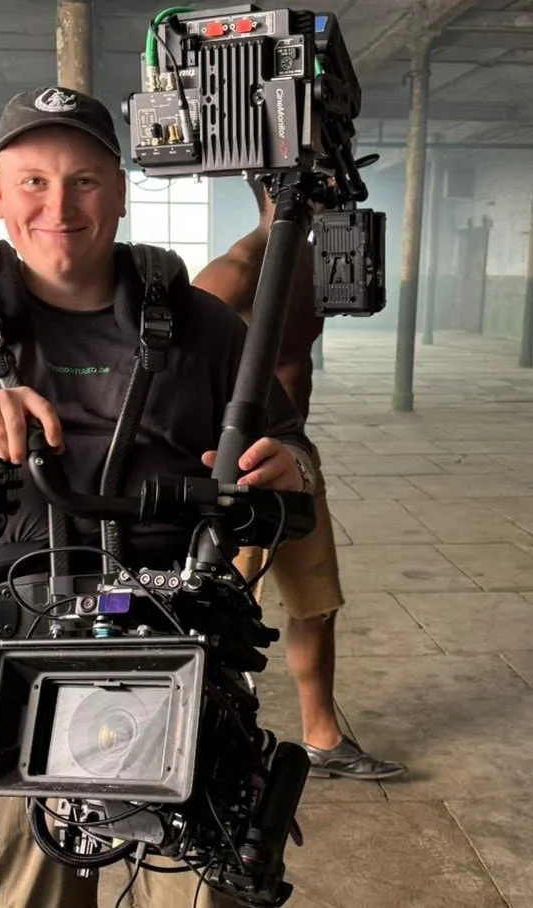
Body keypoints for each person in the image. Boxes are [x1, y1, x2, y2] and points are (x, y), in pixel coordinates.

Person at [0, 86, 316, 908]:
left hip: (185, 653)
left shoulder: (206, 328)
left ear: (121, 191)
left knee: (203, 892)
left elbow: (293, 447)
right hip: (17, 662)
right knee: (32, 895)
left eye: (85, 181)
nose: (59, 206)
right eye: (34, 182)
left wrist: (291, 470)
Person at [192, 176, 407, 781]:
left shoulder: (325, 260)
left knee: (317, 604)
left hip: (297, 460)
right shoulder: (230, 273)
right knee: (218, 610)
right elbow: (171, 368)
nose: (331, 196)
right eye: (315, 189)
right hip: (237, 469)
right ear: (270, 189)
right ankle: (207, 737)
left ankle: (323, 738)